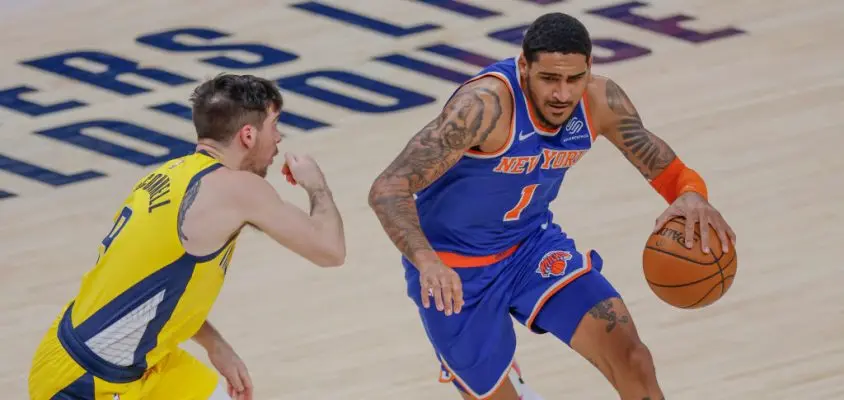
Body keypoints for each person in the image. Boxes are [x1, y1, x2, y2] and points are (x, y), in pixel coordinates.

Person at [368, 12, 736, 400]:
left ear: (589, 67)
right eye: (549, 79)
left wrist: (692, 193)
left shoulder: (599, 100)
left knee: (633, 359)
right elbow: (388, 188)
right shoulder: (484, 108)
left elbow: (669, 172)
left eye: (574, 78)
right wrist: (426, 261)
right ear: (524, 66)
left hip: (531, 247)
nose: (562, 94)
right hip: (454, 271)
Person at [28, 74, 346, 400]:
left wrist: (215, 344)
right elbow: (330, 251)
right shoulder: (238, 189)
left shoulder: (168, 174)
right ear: (248, 135)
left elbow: (155, 290)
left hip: (122, 358)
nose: (279, 138)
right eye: (274, 125)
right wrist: (316, 185)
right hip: (86, 381)